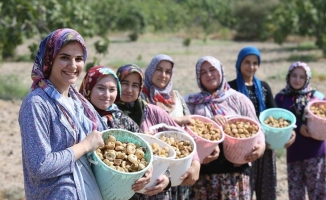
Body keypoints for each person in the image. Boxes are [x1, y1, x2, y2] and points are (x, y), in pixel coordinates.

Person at [18, 28, 151, 200]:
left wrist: (145, 167)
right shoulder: (37, 104)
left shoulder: (78, 101)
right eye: (64, 57)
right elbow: (40, 166)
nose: (73, 65)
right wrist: (85, 146)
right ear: (49, 59)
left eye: (78, 59)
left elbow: (105, 145)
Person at [184, 56, 265, 199]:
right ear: (198, 76)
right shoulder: (191, 103)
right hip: (204, 176)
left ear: (221, 71)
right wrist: (209, 123)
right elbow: (184, 133)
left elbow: (256, 129)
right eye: (203, 72)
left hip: (235, 174)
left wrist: (260, 147)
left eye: (212, 70)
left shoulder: (238, 99)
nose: (209, 75)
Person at [116, 64, 201, 199]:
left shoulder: (151, 111)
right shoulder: (108, 114)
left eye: (135, 85)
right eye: (125, 83)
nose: (129, 89)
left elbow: (182, 136)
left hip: (154, 190)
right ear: (117, 83)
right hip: (121, 192)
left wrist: (196, 163)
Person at [228, 46, 295, 200]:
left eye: (255, 63)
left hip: (266, 146)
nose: (251, 67)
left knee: (267, 191)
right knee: (243, 192)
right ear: (239, 63)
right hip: (242, 149)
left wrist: (288, 132)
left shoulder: (264, 87)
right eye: (247, 62)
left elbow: (276, 116)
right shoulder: (231, 87)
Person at [142, 54, 195, 199]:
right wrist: (176, 121)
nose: (163, 75)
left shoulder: (176, 97)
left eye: (168, 72)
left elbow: (190, 128)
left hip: (180, 170)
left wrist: (195, 163)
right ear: (151, 70)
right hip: (156, 174)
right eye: (159, 69)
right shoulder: (141, 97)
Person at [275, 61, 326, 200]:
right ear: (288, 76)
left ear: (307, 78)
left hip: (315, 154)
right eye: (294, 75)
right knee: (295, 194)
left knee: (318, 194)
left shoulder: (317, 97)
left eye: (302, 77)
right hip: (294, 153)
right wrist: (298, 127)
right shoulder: (281, 98)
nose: (297, 80)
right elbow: (277, 121)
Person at [79, 65, 140, 132]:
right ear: (88, 89)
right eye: (101, 88)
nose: (107, 95)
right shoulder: (78, 116)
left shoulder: (120, 118)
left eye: (112, 89)